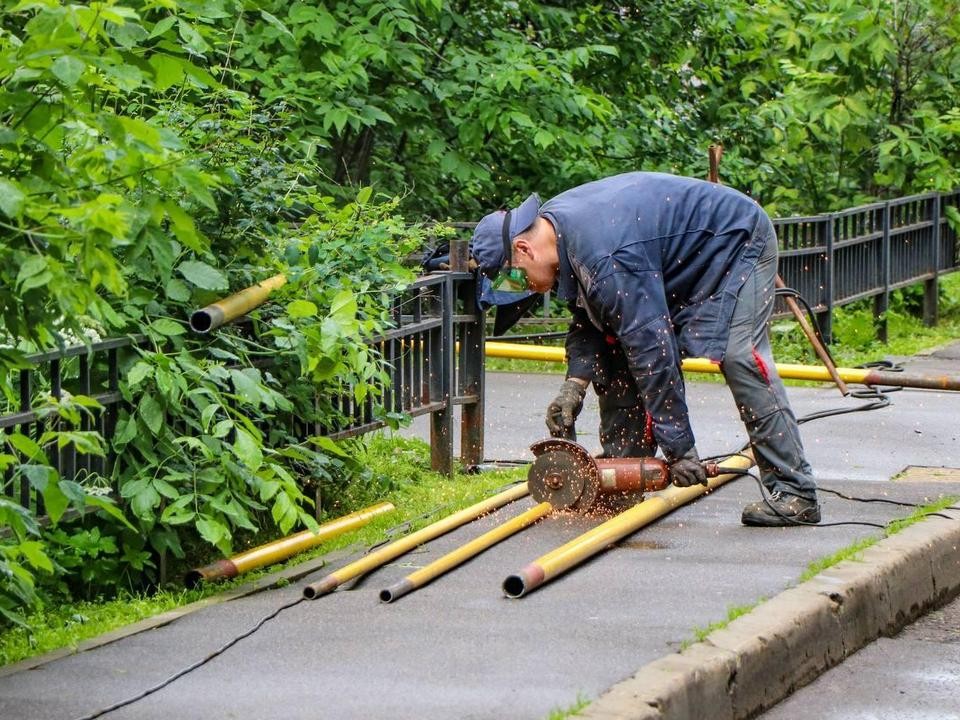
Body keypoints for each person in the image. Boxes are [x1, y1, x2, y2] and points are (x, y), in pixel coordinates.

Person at [470, 172, 820, 526]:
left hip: (736, 243)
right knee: (616, 348)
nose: (529, 289)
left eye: (520, 279)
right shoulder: (560, 232)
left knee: (739, 356)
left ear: (523, 249)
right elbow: (593, 320)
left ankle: (796, 491)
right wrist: (573, 386)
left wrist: (681, 451)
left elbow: (653, 350)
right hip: (681, 262)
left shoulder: (604, 256)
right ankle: (622, 482)